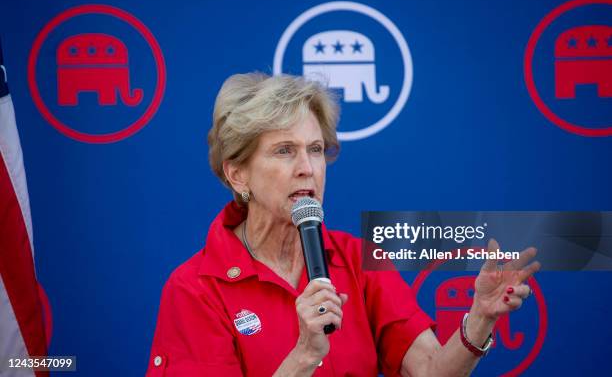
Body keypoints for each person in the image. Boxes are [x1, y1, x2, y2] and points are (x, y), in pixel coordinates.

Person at [146, 73, 540, 376]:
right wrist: (304, 356)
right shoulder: (195, 289)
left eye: (315, 150)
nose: (307, 169)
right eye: (284, 151)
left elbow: (427, 369)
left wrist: (480, 321)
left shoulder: (357, 258)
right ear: (238, 175)